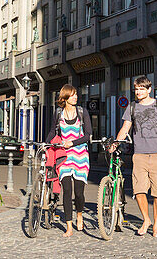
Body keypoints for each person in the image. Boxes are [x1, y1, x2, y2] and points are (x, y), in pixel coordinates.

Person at [110, 76, 157, 238]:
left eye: (141, 89)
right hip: (139, 155)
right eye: (136, 89)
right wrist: (116, 143)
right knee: (139, 190)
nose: (138, 92)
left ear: (149, 89)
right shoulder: (132, 108)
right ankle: (146, 220)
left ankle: (156, 227)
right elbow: (125, 127)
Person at [44, 84, 92, 237]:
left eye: (76, 94)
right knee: (67, 190)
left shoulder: (82, 112)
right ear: (64, 98)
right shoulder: (58, 113)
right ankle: (69, 226)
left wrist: (73, 142)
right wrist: (46, 144)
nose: (75, 97)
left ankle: (79, 214)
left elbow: (88, 135)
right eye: (72, 95)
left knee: (78, 193)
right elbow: (53, 131)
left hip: (81, 155)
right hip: (64, 155)